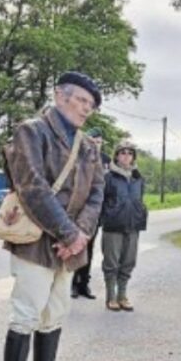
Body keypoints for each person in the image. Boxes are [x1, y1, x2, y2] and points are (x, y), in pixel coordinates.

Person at [0, 72, 105, 361]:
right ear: (60, 96)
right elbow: (32, 187)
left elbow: (97, 193)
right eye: (82, 101)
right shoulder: (32, 130)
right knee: (26, 313)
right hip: (37, 239)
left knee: (55, 313)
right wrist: (69, 234)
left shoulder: (88, 146)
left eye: (91, 105)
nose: (87, 109)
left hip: (70, 245)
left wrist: (81, 234)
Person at [99, 141, 147, 311]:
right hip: (113, 226)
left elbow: (139, 199)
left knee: (128, 261)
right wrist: (105, 218)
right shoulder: (108, 177)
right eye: (122, 152)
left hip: (133, 225)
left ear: (133, 157)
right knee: (111, 262)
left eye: (129, 153)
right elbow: (100, 202)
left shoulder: (138, 177)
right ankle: (111, 297)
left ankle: (123, 295)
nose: (126, 155)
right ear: (116, 156)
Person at [70, 128, 109, 300]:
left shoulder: (106, 160)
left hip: (97, 212)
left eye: (100, 142)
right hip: (79, 211)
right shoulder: (79, 156)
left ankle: (84, 283)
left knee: (89, 250)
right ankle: (73, 283)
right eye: (95, 141)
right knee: (76, 247)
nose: (97, 145)